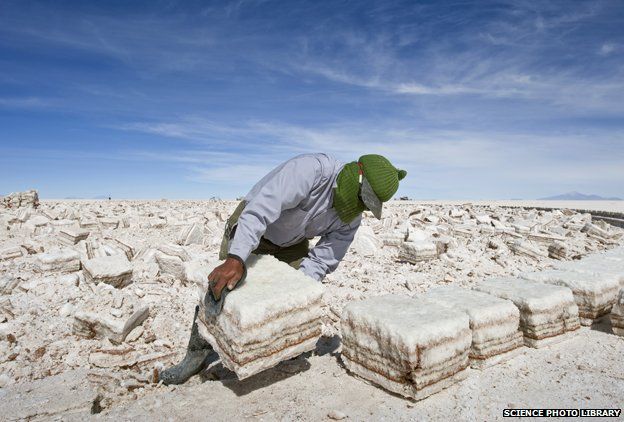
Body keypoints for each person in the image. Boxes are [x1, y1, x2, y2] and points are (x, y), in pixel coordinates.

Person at [158, 153, 407, 385]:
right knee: (224, 287)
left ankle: (272, 349)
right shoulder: (312, 171)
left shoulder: (351, 217)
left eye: (366, 204)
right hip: (254, 225)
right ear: (357, 174)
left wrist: (293, 293)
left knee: (296, 295)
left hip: (292, 242)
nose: (359, 207)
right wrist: (236, 258)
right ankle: (197, 353)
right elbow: (260, 210)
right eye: (361, 198)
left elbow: (323, 258)